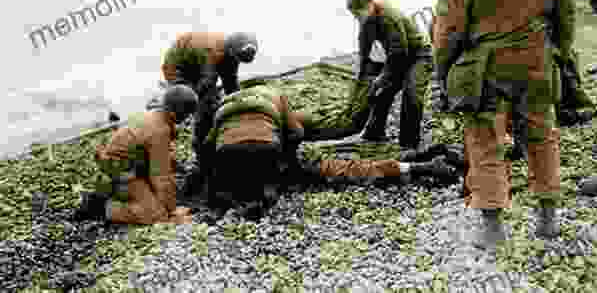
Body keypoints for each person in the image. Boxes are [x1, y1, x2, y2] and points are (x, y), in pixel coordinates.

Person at [433, 0, 570, 248]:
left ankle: (492, 227)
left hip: (487, 64)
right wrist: (561, 51)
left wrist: (442, 66)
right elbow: (565, 7)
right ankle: (547, 220)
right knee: (543, 135)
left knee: (485, 139)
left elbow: (451, 20)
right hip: (538, 57)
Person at [201, 84, 458, 220]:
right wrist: (289, 160)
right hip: (270, 153)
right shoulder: (274, 97)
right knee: (342, 168)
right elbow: (297, 134)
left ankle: (421, 163)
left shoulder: (226, 105)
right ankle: (419, 164)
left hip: (230, 155)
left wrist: (210, 178)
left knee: (233, 182)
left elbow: (207, 148)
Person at [73, 85, 199, 225]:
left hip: (126, 168)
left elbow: (156, 155)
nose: (187, 119)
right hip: (121, 175)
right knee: (157, 215)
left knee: (166, 193)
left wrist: (179, 168)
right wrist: (174, 210)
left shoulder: (153, 115)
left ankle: (118, 195)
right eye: (187, 114)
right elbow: (161, 178)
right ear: (176, 113)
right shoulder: (159, 130)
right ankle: (98, 207)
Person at [157, 31, 259, 196]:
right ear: (232, 51)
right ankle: (202, 155)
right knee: (201, 106)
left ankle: (212, 145)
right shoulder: (211, 51)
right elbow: (206, 85)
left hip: (200, 63)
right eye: (238, 58)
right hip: (179, 67)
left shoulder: (233, 52)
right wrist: (208, 112)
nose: (237, 61)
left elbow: (231, 84)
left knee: (215, 103)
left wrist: (239, 108)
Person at [346, 0, 434, 149]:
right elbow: (364, 52)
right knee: (380, 93)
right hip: (399, 57)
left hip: (419, 56)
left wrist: (382, 77)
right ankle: (374, 133)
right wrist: (361, 82)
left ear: (370, 5)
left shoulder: (388, 17)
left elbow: (398, 52)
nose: (358, 19)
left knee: (412, 94)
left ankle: (408, 144)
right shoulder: (366, 21)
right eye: (355, 16)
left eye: (359, 14)